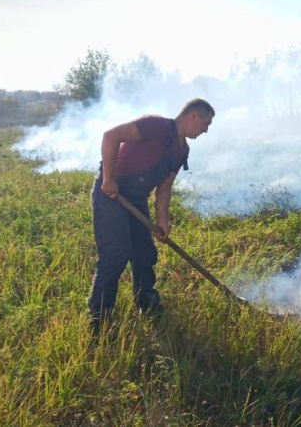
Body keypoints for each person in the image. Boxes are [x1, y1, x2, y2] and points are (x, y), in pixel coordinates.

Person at [88, 98, 215, 338]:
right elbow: (111, 136)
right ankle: (100, 320)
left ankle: (147, 302)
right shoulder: (154, 125)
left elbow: (164, 188)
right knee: (116, 253)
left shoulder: (182, 150)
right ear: (193, 117)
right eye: (205, 124)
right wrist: (109, 178)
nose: (205, 130)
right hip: (112, 194)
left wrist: (162, 221)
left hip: (135, 200)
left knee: (145, 252)